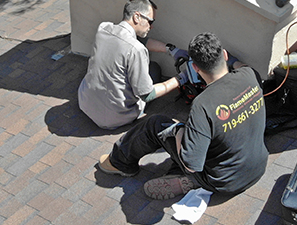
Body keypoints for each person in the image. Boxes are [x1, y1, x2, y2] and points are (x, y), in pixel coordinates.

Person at [97, 32, 269, 200]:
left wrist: (179, 130)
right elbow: (241, 66)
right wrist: (232, 61)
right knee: (207, 134)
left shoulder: (203, 104)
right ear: (223, 54)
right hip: (257, 168)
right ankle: (178, 175)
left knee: (156, 124)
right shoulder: (250, 75)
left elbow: (191, 164)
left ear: (195, 68)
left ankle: (118, 162)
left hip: (221, 181)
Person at [78, 0, 187, 129]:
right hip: (115, 116)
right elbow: (147, 95)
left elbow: (135, 40)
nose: (151, 27)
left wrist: (171, 49)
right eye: (151, 22)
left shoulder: (103, 28)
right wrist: (180, 79)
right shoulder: (136, 50)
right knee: (154, 69)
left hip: (85, 103)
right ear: (137, 17)